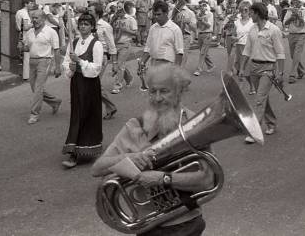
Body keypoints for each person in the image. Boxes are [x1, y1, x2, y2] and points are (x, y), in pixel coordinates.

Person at [91, 64, 213, 236]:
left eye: (164, 91)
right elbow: (97, 169)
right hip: (148, 227)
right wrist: (129, 157)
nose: (157, 98)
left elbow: (208, 180)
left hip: (187, 224)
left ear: (179, 91)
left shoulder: (194, 125)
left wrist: (164, 179)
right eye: (152, 91)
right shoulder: (136, 126)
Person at [61, 13, 104, 168]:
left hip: (90, 84)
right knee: (77, 114)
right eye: (81, 24)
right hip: (77, 82)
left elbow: (97, 67)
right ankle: (74, 150)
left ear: (92, 27)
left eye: (86, 24)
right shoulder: (74, 43)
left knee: (88, 114)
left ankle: (87, 147)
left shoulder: (96, 44)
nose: (83, 26)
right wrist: (70, 68)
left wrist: (79, 61)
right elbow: (66, 61)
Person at [239, 2, 286, 143]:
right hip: (254, 68)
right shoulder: (252, 29)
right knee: (262, 98)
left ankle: (254, 132)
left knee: (259, 98)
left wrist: (280, 72)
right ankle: (271, 123)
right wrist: (242, 68)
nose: (250, 15)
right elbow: (247, 50)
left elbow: (280, 53)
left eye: (252, 13)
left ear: (257, 13)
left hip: (268, 68)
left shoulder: (274, 30)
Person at [22, 9, 62, 125]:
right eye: (33, 18)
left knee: (38, 88)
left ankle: (34, 114)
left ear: (43, 19)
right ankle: (55, 102)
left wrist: (58, 67)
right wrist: (21, 47)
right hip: (32, 61)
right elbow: (27, 48)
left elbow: (57, 50)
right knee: (35, 89)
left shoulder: (50, 32)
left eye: (36, 18)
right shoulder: (29, 33)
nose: (34, 20)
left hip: (45, 61)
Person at [88, 2, 119, 119]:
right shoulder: (88, 24)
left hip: (101, 57)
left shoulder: (105, 26)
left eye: (90, 11)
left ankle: (106, 107)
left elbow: (112, 45)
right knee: (93, 83)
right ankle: (109, 107)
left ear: (97, 12)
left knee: (93, 83)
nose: (88, 12)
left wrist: (115, 64)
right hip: (89, 56)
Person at [140, 1, 184, 74]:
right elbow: (147, 48)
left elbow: (179, 52)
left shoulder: (175, 29)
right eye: (155, 14)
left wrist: (176, 71)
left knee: (164, 85)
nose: (156, 17)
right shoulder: (153, 28)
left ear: (166, 13)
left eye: (159, 14)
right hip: (153, 64)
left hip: (168, 65)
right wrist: (142, 62)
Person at [112, 2, 138, 94]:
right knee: (120, 64)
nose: (118, 9)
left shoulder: (131, 19)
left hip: (125, 44)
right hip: (115, 44)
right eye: (117, 7)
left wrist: (125, 30)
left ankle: (117, 85)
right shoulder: (114, 18)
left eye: (120, 7)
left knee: (119, 65)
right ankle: (129, 78)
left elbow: (136, 33)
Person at [283, 0, 305, 83]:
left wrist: (298, 15)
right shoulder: (290, 10)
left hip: (301, 34)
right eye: (294, 1)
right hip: (291, 34)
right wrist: (291, 18)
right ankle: (301, 71)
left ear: (301, 2)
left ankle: (292, 75)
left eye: (298, 2)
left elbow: (304, 22)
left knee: (297, 53)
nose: (296, 3)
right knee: (292, 55)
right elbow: (284, 23)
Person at [171, 0, 197, 69]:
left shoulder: (190, 12)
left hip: (185, 36)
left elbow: (195, 29)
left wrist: (188, 22)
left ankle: (179, 75)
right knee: (172, 57)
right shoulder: (172, 11)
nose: (177, 1)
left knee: (182, 58)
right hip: (173, 36)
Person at [193, 0, 214, 76]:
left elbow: (209, 25)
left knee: (202, 53)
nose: (201, 7)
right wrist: (198, 19)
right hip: (200, 34)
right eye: (200, 6)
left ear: (206, 6)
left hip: (207, 34)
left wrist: (202, 20)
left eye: (203, 5)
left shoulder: (210, 14)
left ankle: (198, 69)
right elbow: (198, 26)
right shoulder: (198, 14)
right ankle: (211, 65)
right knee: (204, 52)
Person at [16, 0, 35, 80]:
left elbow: (17, 27)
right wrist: (34, 23)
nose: (32, 5)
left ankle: (27, 75)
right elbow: (26, 27)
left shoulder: (18, 12)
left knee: (26, 56)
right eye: (30, 3)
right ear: (25, 4)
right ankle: (27, 76)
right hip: (26, 35)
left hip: (21, 34)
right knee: (27, 56)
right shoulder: (24, 14)